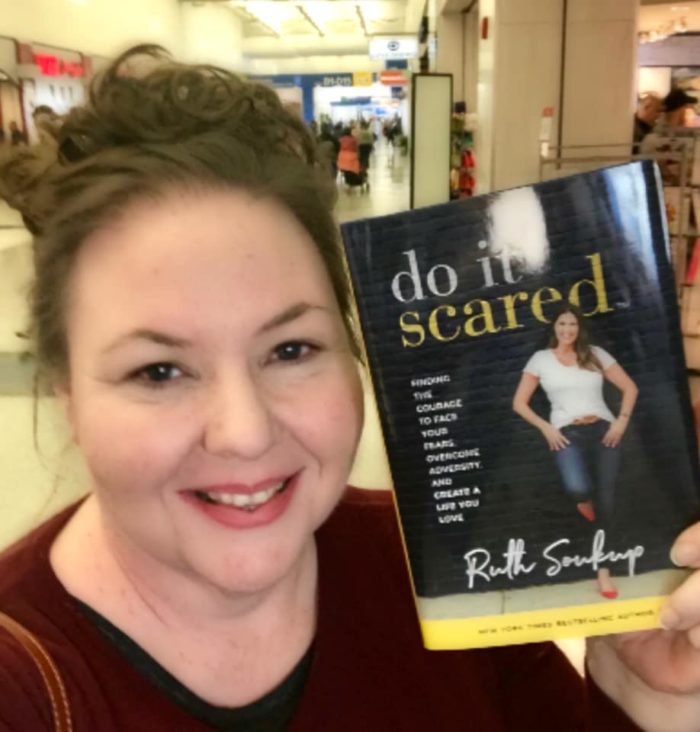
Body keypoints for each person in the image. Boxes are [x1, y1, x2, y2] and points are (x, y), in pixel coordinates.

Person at [1, 45, 700, 731]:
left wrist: (648, 707)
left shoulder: (446, 575)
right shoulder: (24, 682)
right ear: (66, 392)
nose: (244, 432)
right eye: (159, 371)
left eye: (290, 349)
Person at [513, 304, 638, 599]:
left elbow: (630, 388)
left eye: (572, 324)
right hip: (566, 433)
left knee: (606, 500)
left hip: (604, 430)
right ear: (554, 327)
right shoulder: (540, 360)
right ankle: (586, 506)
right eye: (562, 324)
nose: (567, 330)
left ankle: (603, 571)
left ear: (579, 328)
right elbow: (519, 403)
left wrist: (620, 422)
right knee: (578, 487)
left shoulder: (594, 354)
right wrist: (547, 428)